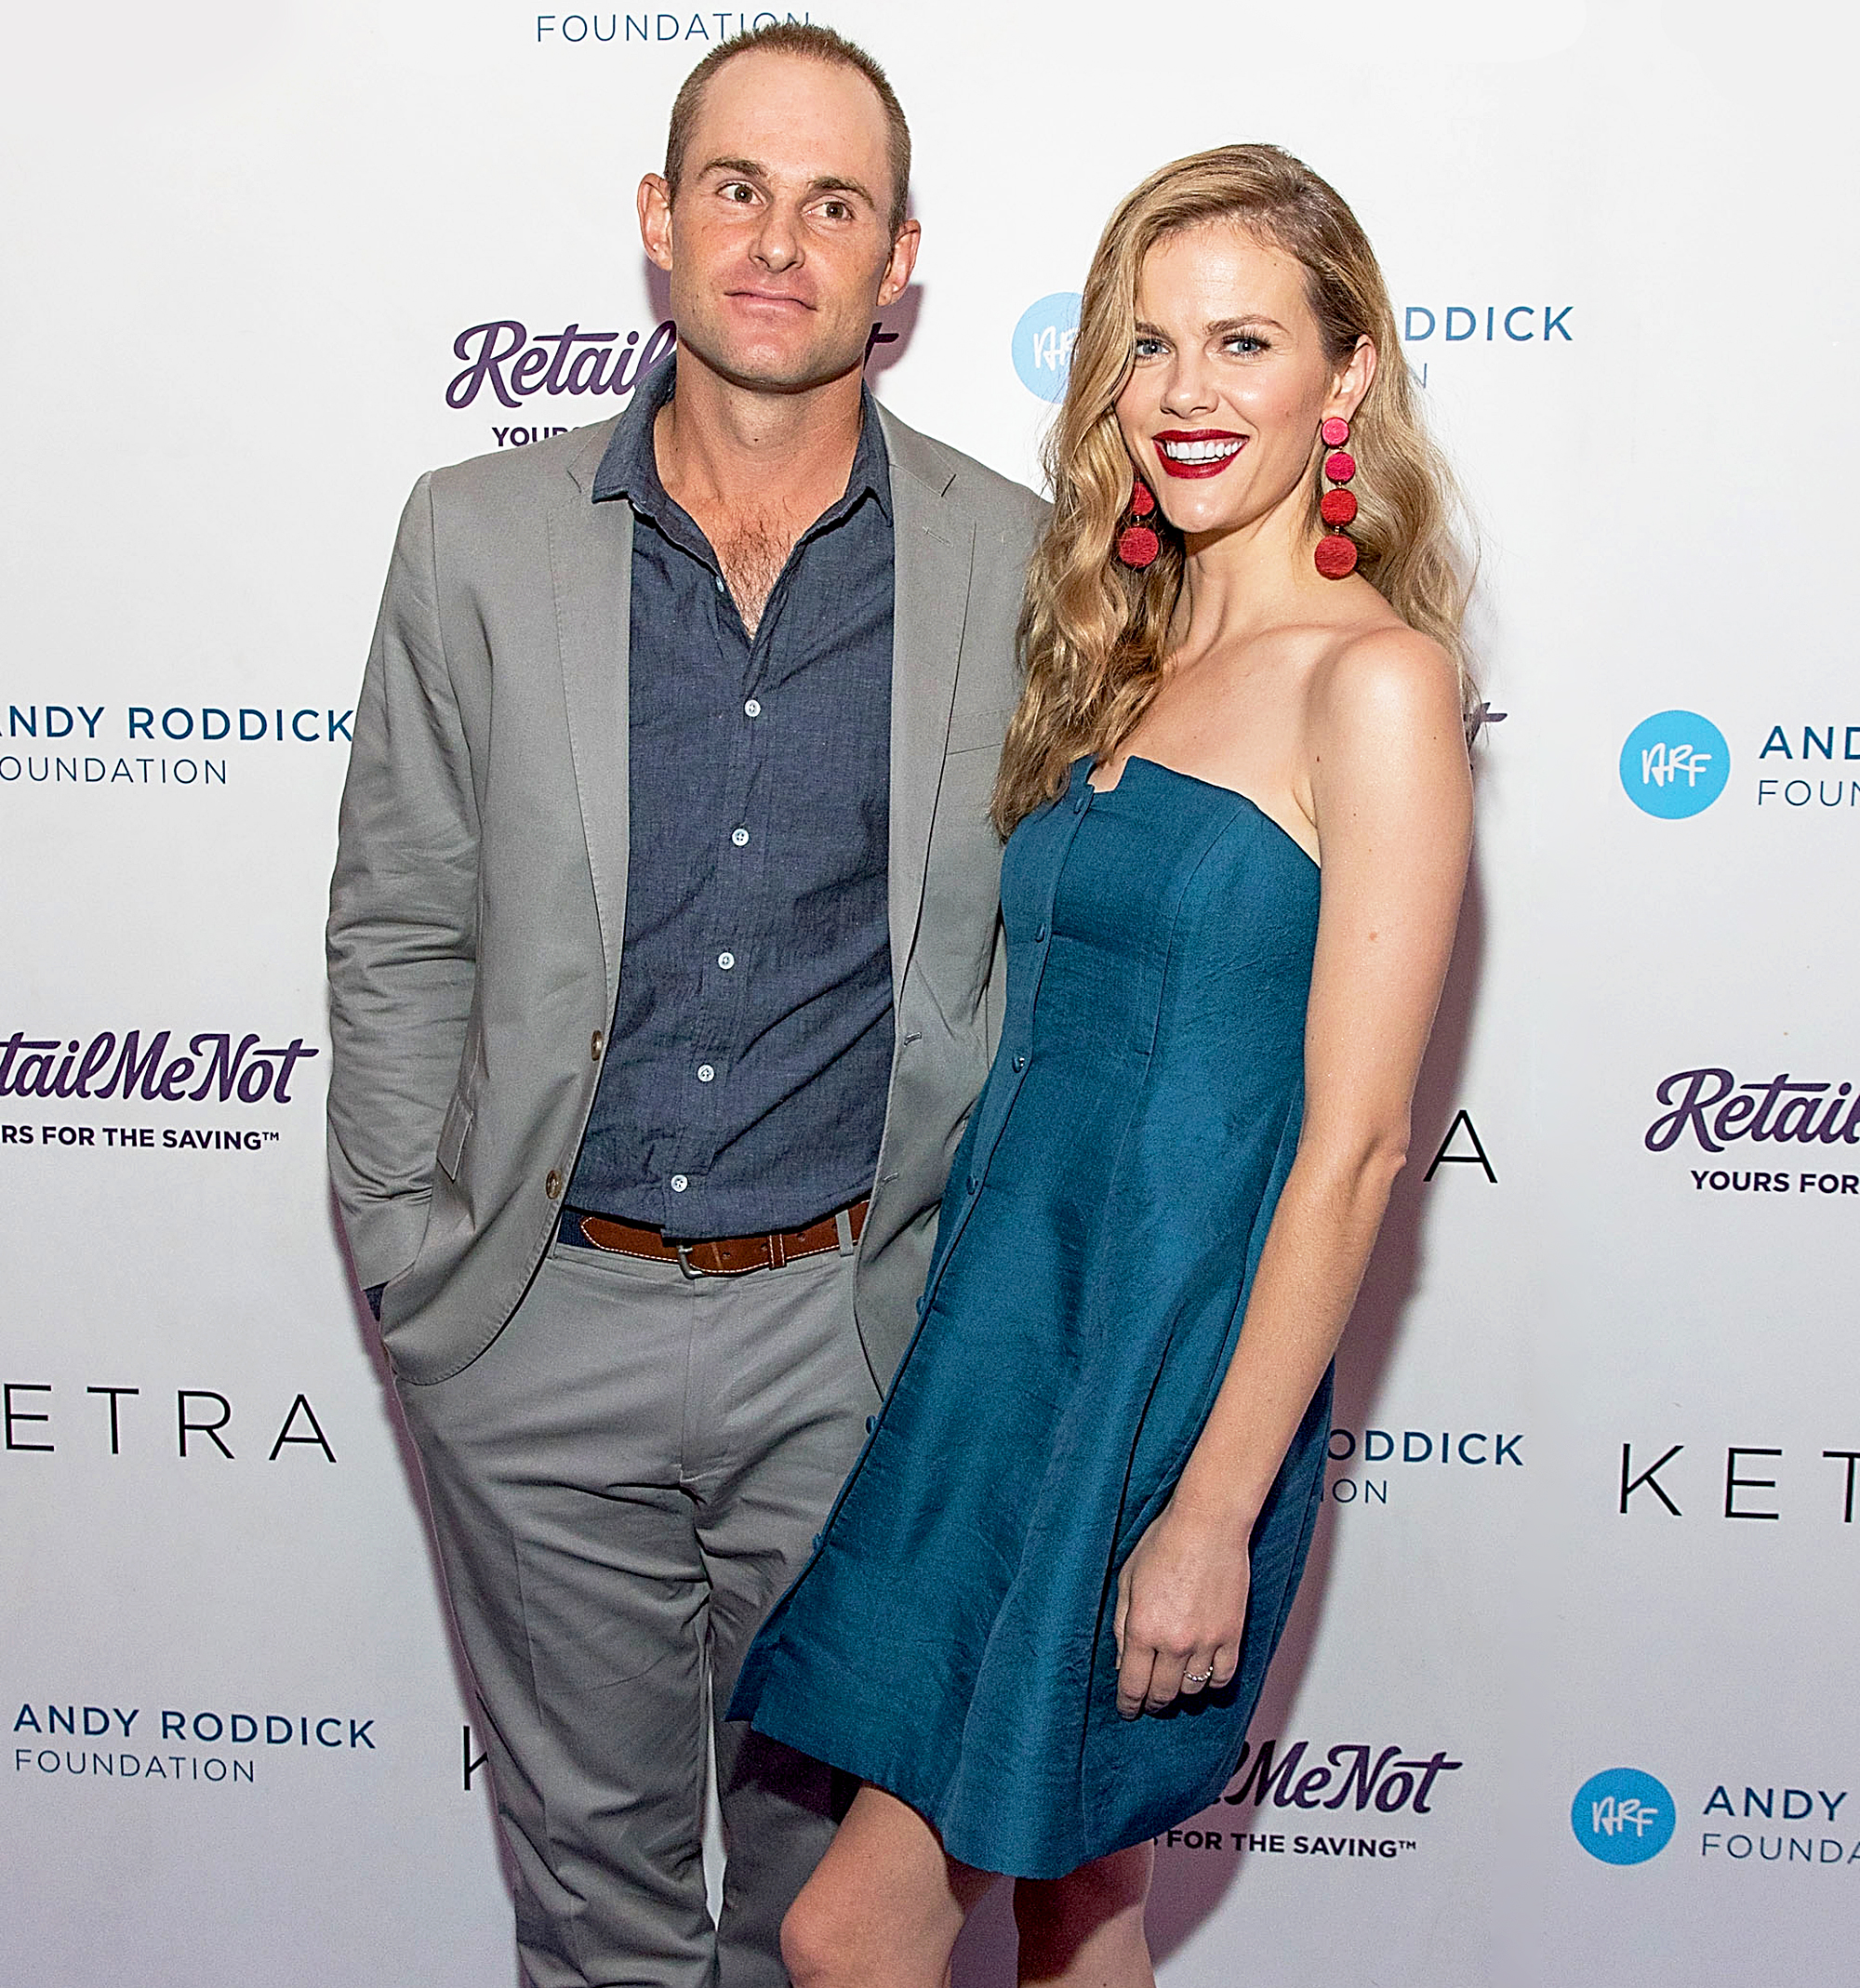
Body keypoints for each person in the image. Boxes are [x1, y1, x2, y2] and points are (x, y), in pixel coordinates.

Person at [324, 23, 1044, 1987]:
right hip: (536, 1327)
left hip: (857, 1343)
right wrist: (416, 1261)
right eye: (737, 187)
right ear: (660, 220)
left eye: (835, 205)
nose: (778, 242)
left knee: (825, 1927)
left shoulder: (1020, 559)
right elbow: (400, 919)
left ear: (902, 262)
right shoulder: (470, 536)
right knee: (599, 1910)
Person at [729, 143, 1477, 1987]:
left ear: (1346, 375)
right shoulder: (1122, 666)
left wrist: (1209, 1512)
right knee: (1083, 1905)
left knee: (847, 1930)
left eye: (1243, 343)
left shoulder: (1371, 684)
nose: (1188, 394)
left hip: (1153, 1391)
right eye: (1149, 348)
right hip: (998, 1350)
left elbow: (1358, 1147)